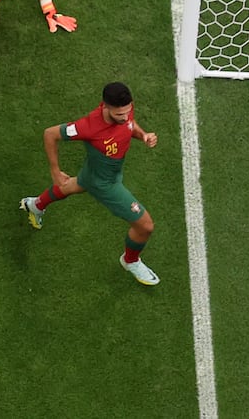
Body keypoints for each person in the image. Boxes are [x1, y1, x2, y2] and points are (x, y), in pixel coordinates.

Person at [19, 82, 160, 286]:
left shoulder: (124, 110)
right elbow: (50, 134)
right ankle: (130, 261)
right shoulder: (87, 127)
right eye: (119, 115)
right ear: (105, 106)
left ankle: (36, 205)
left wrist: (143, 135)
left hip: (98, 171)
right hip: (105, 183)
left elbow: (130, 125)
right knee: (145, 226)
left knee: (75, 184)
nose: (124, 118)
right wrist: (55, 171)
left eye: (127, 112)